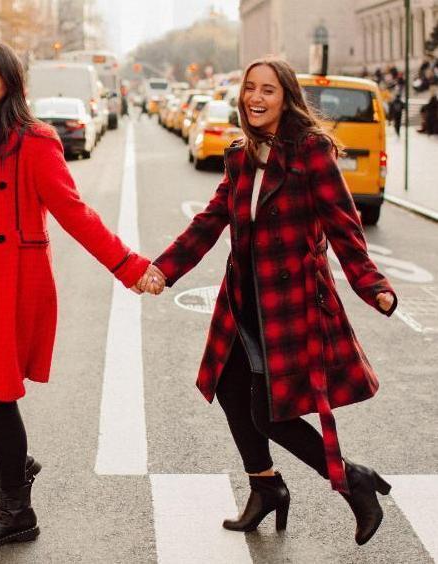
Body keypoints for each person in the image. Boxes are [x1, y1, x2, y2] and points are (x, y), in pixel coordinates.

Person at [0, 42, 165, 550]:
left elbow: (75, 213)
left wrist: (129, 267)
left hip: (4, 283)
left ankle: (18, 510)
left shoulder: (34, 142)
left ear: (11, 83)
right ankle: (13, 462)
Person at [137, 56, 398, 546]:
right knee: (232, 391)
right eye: (249, 88)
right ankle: (266, 487)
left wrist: (373, 284)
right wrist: (163, 269)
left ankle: (353, 481)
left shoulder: (311, 151)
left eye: (268, 90)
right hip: (243, 300)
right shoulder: (240, 154)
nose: (255, 98)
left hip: (291, 302)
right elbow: (210, 221)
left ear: (287, 98)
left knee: (268, 412)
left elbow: (345, 226)